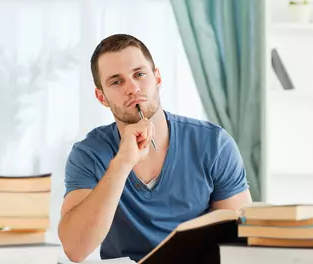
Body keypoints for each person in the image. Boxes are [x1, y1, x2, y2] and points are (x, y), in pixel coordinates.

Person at [58, 34, 252, 263]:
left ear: (157, 77)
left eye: (139, 74)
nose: (132, 88)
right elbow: (75, 249)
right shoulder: (88, 154)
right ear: (102, 96)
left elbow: (242, 242)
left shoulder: (214, 144)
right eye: (116, 82)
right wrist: (122, 163)